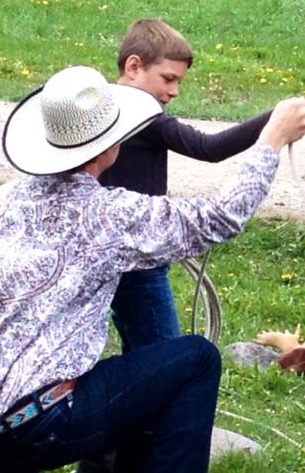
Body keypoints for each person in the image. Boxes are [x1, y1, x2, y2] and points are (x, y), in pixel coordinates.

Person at [0, 65, 305, 472]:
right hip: (48, 420)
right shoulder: (108, 215)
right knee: (197, 359)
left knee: (113, 384)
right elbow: (220, 218)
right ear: (108, 147)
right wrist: (271, 139)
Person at [99, 18, 274, 353]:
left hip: (103, 251)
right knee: (161, 356)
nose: (175, 91)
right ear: (134, 66)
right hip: (140, 257)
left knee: (136, 350)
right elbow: (209, 148)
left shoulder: (99, 106)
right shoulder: (143, 116)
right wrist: (274, 120)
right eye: (169, 78)